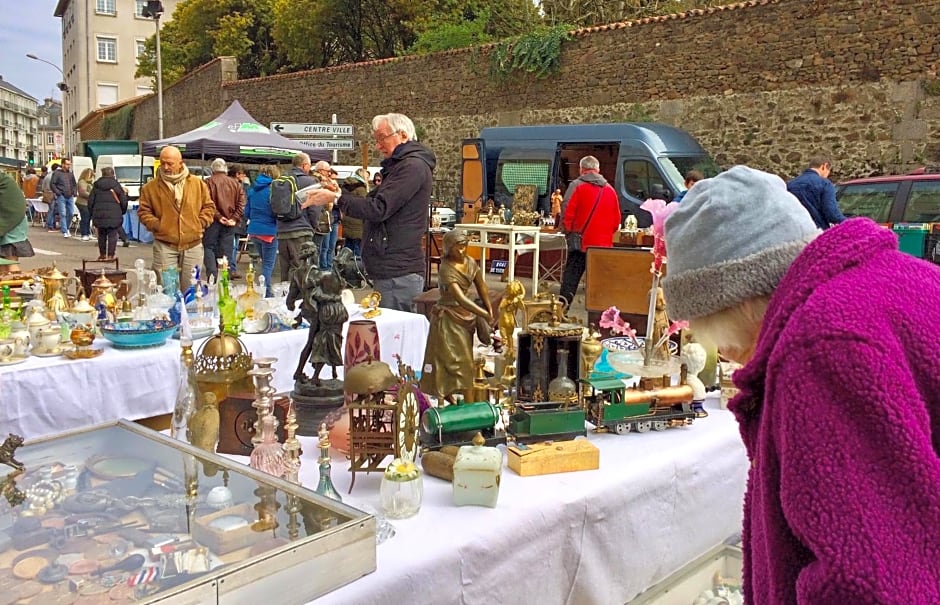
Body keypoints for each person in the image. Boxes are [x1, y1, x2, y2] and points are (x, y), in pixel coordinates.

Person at [661, 165, 940, 604]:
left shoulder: (821, 346)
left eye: (712, 329)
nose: (728, 353)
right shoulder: (900, 278)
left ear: (740, 298)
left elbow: (867, 580)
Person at [305, 113, 435, 312]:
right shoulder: (401, 166)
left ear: (402, 135)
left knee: (393, 335)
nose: (378, 145)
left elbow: (378, 208)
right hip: (391, 268)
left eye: (382, 138)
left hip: (398, 270)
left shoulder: (412, 167)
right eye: (376, 140)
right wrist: (338, 194)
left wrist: (336, 199)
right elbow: (371, 203)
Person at [419, 229, 493, 402]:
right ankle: (456, 399)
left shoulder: (470, 262)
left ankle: (458, 399)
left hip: (465, 317)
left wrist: (489, 308)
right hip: (448, 318)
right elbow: (459, 298)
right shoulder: (446, 268)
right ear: (448, 248)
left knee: (460, 359)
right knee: (453, 361)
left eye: (464, 246)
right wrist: (483, 312)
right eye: (457, 248)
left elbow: (482, 286)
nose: (462, 251)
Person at [138, 146, 215, 293]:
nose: (165, 167)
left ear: (180, 163)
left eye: (170, 163)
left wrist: (200, 223)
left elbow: (209, 207)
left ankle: (189, 315)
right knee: (167, 291)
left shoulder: (197, 184)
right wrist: (157, 225)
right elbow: (143, 211)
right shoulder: (151, 187)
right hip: (165, 244)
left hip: (193, 244)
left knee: (192, 291)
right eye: (162, 163)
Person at [559, 155, 621, 307]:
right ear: (598, 169)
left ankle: (561, 311)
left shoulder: (576, 186)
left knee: (571, 279)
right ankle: (601, 314)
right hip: (603, 245)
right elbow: (616, 221)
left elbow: (567, 211)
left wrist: (567, 231)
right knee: (600, 282)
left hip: (581, 242)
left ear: (581, 169)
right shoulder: (610, 190)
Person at [276, 153, 323, 284]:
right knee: (301, 269)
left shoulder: (281, 180)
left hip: (282, 230)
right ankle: (298, 301)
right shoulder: (310, 182)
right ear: (304, 165)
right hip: (301, 230)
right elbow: (315, 208)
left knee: (285, 271)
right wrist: (313, 225)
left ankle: (284, 300)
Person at [203, 158, 245, 281]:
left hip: (212, 221)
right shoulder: (235, 184)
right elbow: (242, 202)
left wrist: (218, 216)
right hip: (230, 222)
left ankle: (212, 277)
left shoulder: (207, 183)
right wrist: (234, 218)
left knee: (209, 247)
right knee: (226, 250)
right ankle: (224, 278)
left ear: (212, 170)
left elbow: (206, 202)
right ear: (225, 169)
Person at [246, 165, 279, 297]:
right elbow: (276, 210)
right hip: (269, 230)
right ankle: (265, 292)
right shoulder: (273, 189)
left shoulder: (252, 189)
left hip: (254, 230)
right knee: (268, 264)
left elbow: (246, 212)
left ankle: (266, 289)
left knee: (264, 261)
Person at [786, 156, 846, 229]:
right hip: (816, 230)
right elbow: (832, 215)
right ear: (824, 166)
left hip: (795, 230)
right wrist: (851, 223)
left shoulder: (790, 184)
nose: (827, 175)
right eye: (828, 171)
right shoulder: (825, 183)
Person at [87, 166, 128, 261]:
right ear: (113, 174)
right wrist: (122, 211)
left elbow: (90, 201)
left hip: (99, 214)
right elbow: (123, 201)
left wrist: (93, 213)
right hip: (114, 213)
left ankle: (102, 254)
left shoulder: (96, 186)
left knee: (101, 235)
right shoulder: (117, 186)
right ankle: (110, 255)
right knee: (112, 235)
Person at [0, 171, 35, 274]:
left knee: (10, 262)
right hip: (13, 221)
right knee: (3, 264)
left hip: (11, 223)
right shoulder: (5, 179)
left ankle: (15, 288)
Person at [311, 161, 340, 271]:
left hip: (328, 218)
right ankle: (323, 269)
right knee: (322, 247)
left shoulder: (330, 183)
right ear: (321, 171)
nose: (329, 174)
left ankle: (328, 267)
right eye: (328, 171)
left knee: (329, 246)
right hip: (321, 219)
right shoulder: (317, 182)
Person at [227, 164, 250, 276]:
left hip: (229, 218)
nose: (244, 176)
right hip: (236, 219)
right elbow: (242, 203)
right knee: (233, 246)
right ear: (237, 174)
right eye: (242, 173)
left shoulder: (227, 184)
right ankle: (231, 269)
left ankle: (230, 268)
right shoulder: (239, 187)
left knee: (232, 245)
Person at [340, 168, 368, 257]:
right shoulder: (361, 189)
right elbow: (364, 206)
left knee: (348, 246)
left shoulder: (346, 186)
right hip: (358, 222)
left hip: (347, 218)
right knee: (357, 249)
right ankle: (356, 268)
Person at [50, 158, 77, 238]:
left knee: (71, 213)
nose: (69, 166)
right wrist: (58, 192)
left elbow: (74, 184)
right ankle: (65, 230)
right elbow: (52, 184)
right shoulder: (57, 173)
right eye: (67, 164)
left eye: (69, 164)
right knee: (63, 213)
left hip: (70, 195)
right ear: (63, 164)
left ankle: (67, 228)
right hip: (61, 195)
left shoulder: (70, 174)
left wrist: (74, 192)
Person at [76, 167, 95, 241]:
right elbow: (82, 192)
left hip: (88, 203)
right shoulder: (82, 182)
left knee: (88, 218)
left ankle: (88, 233)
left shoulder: (89, 183)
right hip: (82, 203)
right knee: (85, 218)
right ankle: (84, 234)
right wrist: (92, 195)